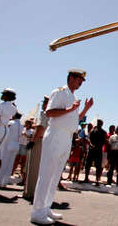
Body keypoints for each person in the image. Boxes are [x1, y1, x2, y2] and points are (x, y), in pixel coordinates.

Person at [31, 69, 93, 225]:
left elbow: (74, 119)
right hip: (55, 134)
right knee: (46, 173)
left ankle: (46, 208)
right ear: (71, 78)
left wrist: (85, 109)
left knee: (55, 174)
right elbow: (50, 112)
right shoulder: (59, 92)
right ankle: (37, 212)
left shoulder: (73, 97)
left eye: (82, 81)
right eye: (79, 79)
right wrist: (71, 109)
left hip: (67, 136)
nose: (80, 82)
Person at [24, 95, 49, 201]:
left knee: (33, 167)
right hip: (44, 141)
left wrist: (33, 141)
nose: (43, 104)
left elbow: (41, 128)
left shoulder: (45, 113)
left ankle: (30, 192)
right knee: (38, 168)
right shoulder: (52, 115)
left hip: (38, 140)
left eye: (45, 102)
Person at [0, 112, 22, 188]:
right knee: (10, 165)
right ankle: (4, 182)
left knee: (3, 163)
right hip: (16, 144)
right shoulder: (21, 125)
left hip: (8, 143)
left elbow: (6, 132)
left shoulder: (11, 122)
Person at [84, 119, 107, 185]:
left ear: (102, 124)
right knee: (88, 164)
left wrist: (98, 146)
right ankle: (86, 178)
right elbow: (88, 138)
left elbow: (104, 141)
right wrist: (90, 144)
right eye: (98, 123)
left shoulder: (103, 132)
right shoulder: (92, 131)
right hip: (91, 150)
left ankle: (97, 179)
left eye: (100, 123)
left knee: (98, 166)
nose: (99, 124)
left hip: (99, 150)